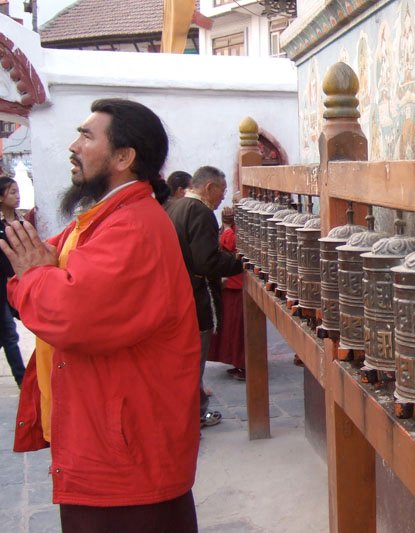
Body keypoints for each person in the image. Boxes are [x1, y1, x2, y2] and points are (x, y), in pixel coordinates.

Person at [2, 98, 200, 532]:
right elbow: (36, 268)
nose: (73, 146)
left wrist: (35, 274)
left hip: (126, 453)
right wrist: (34, 271)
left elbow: (70, 312)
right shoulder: (98, 221)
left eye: (87, 136)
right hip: (105, 440)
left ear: (124, 158)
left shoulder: (131, 228)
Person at [167, 166, 243, 428]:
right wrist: (238, 262)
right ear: (209, 187)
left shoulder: (176, 207)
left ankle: (190, 412)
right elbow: (206, 262)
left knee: (187, 361)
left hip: (179, 292)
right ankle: (194, 414)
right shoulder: (199, 211)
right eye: (221, 191)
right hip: (194, 296)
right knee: (194, 361)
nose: (222, 198)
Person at [209, 206, 245, 380]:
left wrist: (228, 229)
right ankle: (236, 361)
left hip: (237, 284)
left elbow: (230, 245)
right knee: (231, 328)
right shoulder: (228, 229)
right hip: (230, 283)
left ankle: (244, 364)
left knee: (238, 328)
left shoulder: (234, 231)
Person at [0, 176, 26, 387]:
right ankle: (22, 378)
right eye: (12, 193)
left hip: (19, 284)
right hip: (2, 288)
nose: (17, 197)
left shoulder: (22, 222)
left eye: (18, 192)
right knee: (9, 334)